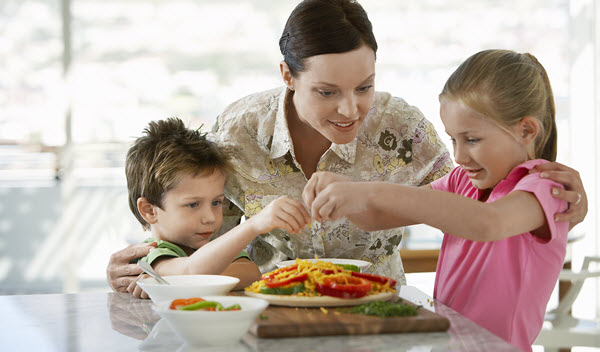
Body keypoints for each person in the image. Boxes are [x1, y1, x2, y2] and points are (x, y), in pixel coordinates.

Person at [106, 0, 588, 294]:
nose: (350, 110)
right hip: (263, 316)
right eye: (327, 92)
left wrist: (574, 202)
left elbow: (486, 188)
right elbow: (189, 219)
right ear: (287, 75)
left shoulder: (402, 126)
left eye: (364, 86)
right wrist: (150, 262)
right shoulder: (236, 132)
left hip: (381, 316)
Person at [303, 49, 571, 351]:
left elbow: (488, 222)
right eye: (453, 139)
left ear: (526, 130)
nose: (458, 156)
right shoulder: (461, 182)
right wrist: (346, 193)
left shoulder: (547, 189)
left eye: (472, 139)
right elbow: (378, 217)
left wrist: (368, 191)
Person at [124, 117, 310, 298]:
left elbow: (251, 272)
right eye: (193, 204)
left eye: (216, 202)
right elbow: (191, 270)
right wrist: (253, 225)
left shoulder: (213, 246)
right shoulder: (152, 257)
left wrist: (183, 279)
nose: (210, 218)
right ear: (149, 210)